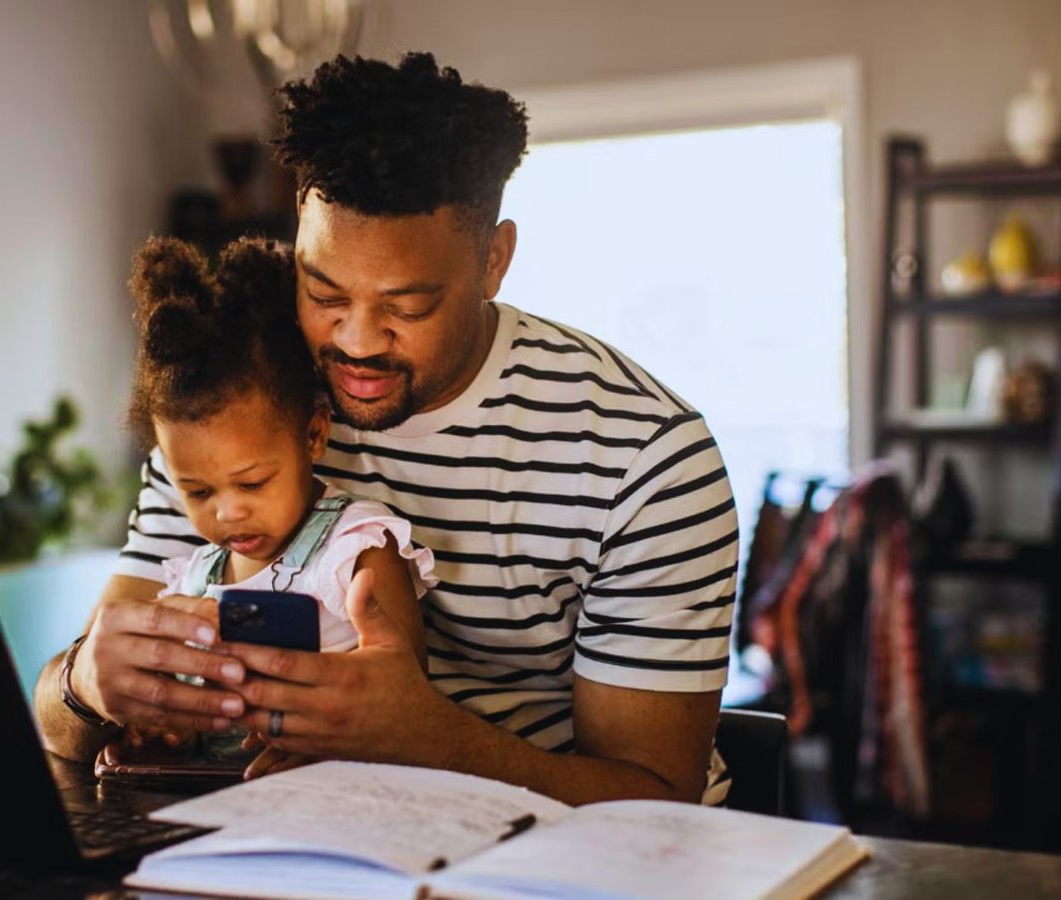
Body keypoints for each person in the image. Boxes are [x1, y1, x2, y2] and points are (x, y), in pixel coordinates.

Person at [37, 52, 740, 807]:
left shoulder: (644, 458)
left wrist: (427, 740)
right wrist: (87, 683)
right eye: (323, 290)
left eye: (408, 306)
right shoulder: (241, 408)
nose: (359, 341)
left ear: (494, 260)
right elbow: (59, 726)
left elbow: (657, 805)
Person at [105, 235, 435, 775]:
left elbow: (405, 705)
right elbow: (182, 703)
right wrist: (159, 725)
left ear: (313, 435)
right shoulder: (193, 579)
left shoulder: (356, 551)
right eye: (198, 492)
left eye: (252, 483)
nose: (227, 513)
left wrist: (329, 743)